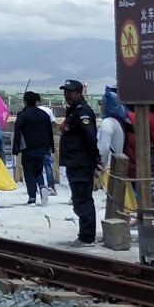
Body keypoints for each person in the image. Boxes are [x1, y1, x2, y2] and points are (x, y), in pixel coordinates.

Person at [57, 81, 100, 244]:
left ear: (78, 93)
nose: (67, 95)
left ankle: (87, 236)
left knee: (83, 199)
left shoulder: (82, 112)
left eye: (70, 92)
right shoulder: (73, 111)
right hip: (74, 162)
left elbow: (90, 138)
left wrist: (94, 159)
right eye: (65, 92)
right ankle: (85, 233)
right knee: (78, 199)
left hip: (81, 162)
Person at [11, 92, 54, 205]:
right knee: (38, 171)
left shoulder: (22, 114)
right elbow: (49, 131)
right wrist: (51, 147)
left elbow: (17, 132)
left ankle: (32, 198)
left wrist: (15, 148)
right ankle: (42, 186)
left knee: (29, 172)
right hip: (42, 148)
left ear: (25, 101)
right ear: (36, 101)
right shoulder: (43, 114)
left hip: (28, 148)